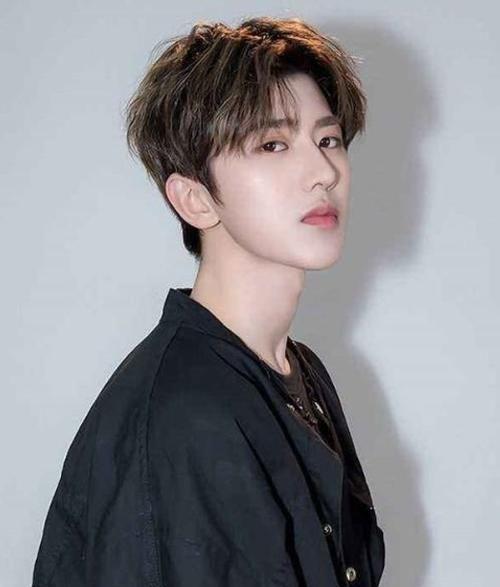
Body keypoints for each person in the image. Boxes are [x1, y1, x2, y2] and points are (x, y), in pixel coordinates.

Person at [32, 16, 385, 587]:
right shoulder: (187, 413)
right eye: (273, 144)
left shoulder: (299, 374)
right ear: (194, 199)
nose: (323, 172)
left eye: (328, 140)